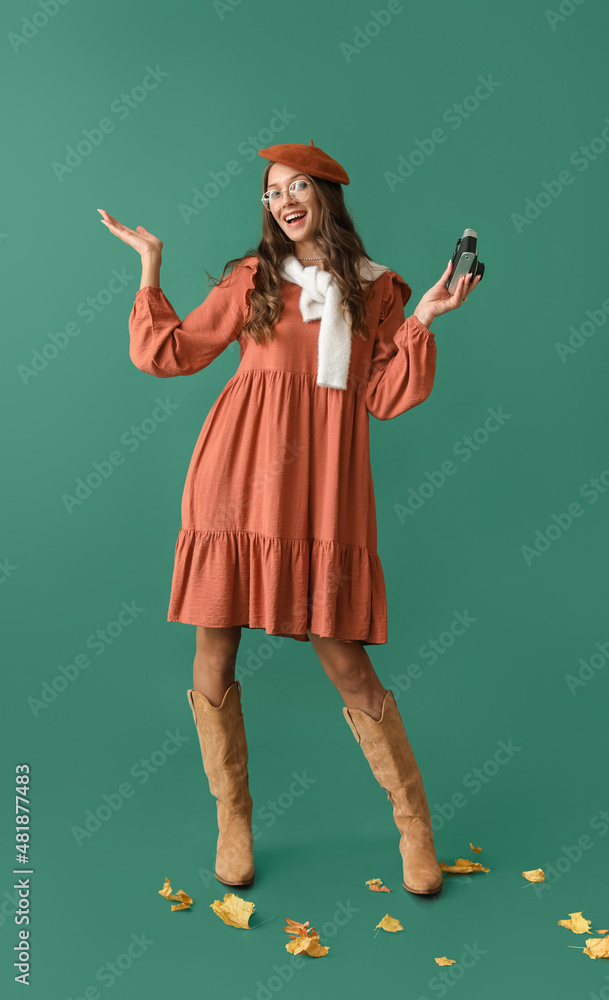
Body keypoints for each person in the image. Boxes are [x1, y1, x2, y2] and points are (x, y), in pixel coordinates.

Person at [98, 139, 482, 897]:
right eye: (272, 192)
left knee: (344, 656)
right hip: (235, 477)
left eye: (297, 186)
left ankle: (414, 829)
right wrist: (150, 265)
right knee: (215, 646)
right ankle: (232, 820)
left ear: (327, 197)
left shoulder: (377, 291)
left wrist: (427, 317)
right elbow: (170, 353)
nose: (282, 200)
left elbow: (383, 395)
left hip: (324, 491)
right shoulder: (252, 279)